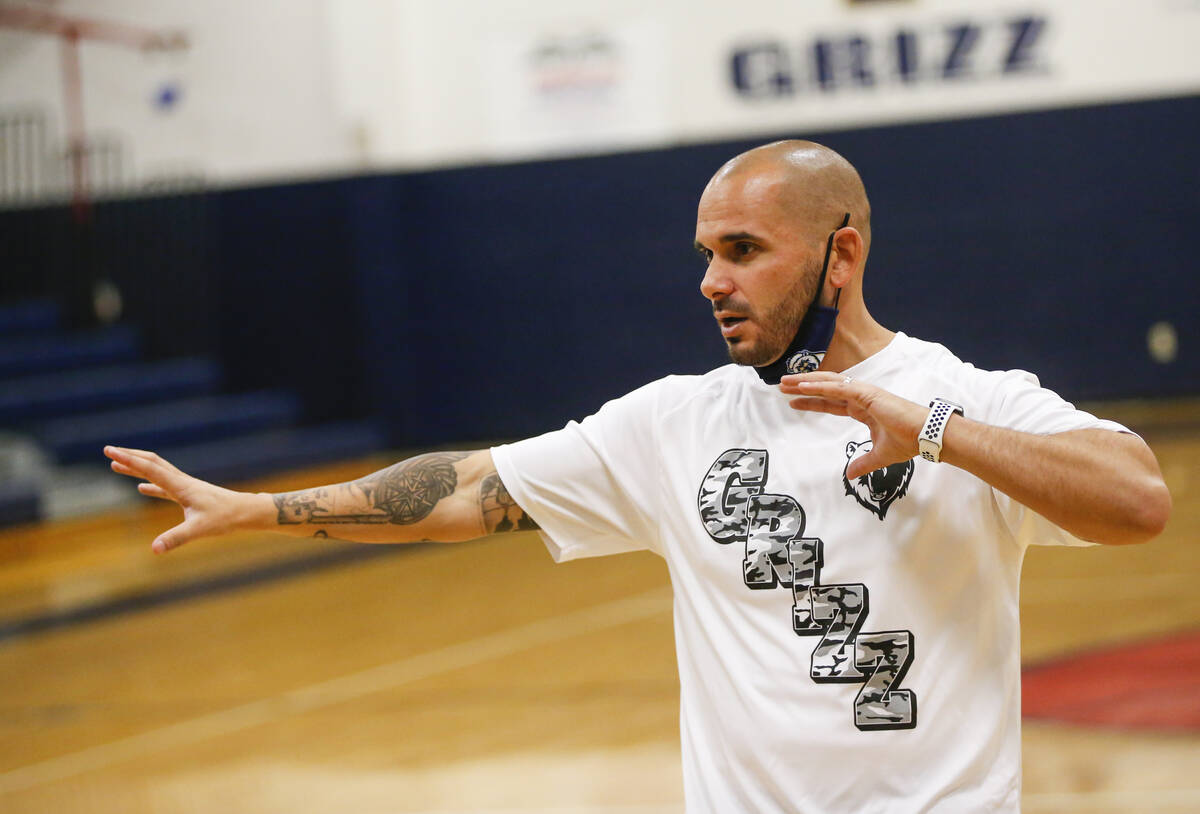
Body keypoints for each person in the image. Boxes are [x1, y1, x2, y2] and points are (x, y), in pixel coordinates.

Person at [105, 140, 1171, 813]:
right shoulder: (676, 422)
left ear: (839, 257)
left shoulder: (959, 392)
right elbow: (466, 491)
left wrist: (935, 429)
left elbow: (1138, 499)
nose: (712, 280)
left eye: (745, 249)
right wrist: (259, 507)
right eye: (707, 252)